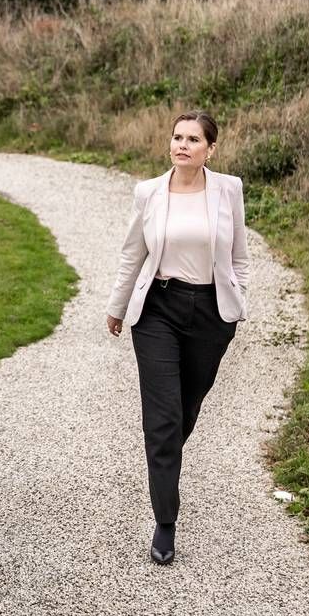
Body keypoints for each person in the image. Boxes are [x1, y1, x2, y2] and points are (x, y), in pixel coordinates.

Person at [104, 110, 249, 566]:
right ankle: (165, 522)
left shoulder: (229, 189)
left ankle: (164, 456)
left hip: (210, 313)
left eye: (192, 139)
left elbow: (240, 255)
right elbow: (134, 252)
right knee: (163, 420)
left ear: (210, 148)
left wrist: (236, 302)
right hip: (157, 311)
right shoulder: (149, 192)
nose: (182, 145)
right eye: (176, 137)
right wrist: (116, 305)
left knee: (186, 409)